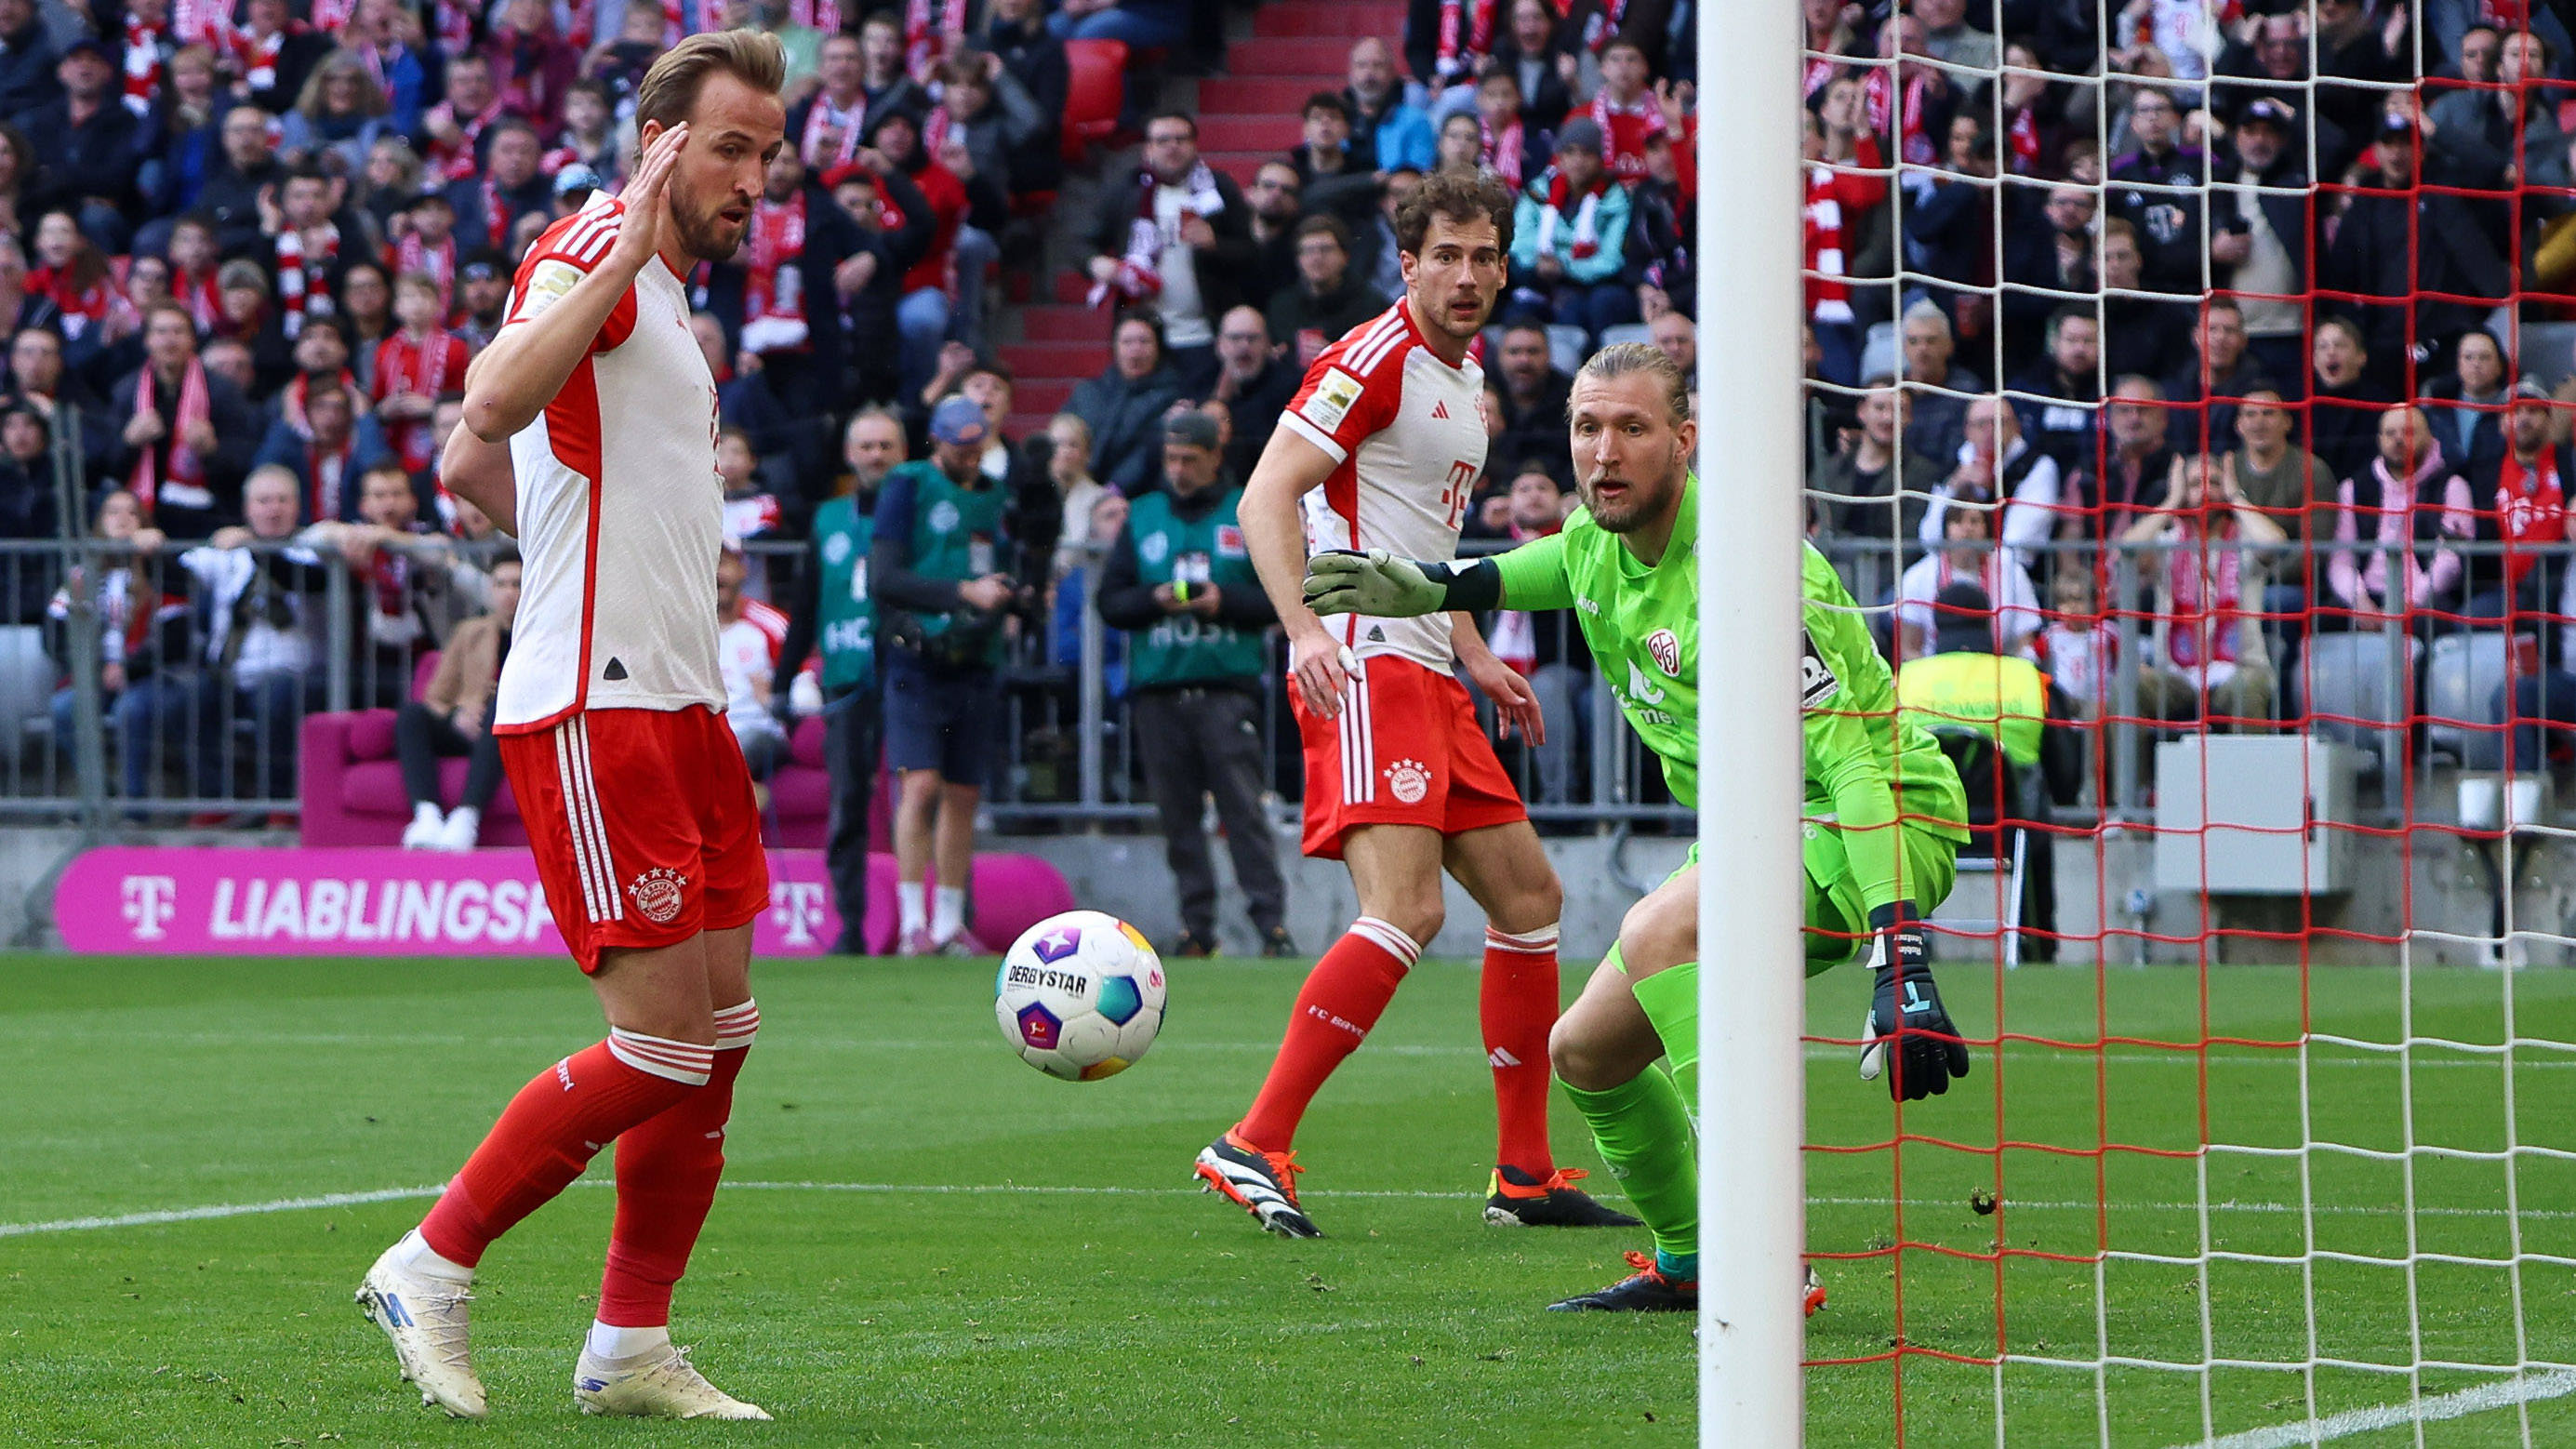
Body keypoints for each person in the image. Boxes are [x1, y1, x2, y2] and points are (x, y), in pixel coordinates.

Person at [1300, 343, 1972, 1315]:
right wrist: (1432, 586)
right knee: (1587, 1053)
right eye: (1585, 427)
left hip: (1877, 822)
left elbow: (1858, 769)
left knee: (1660, 929)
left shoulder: (1751, 571)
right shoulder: (1595, 541)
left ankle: (1763, 1249)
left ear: (1684, 440)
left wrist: (1897, 953)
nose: (1603, 451)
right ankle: (1692, 1258)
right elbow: (1548, 569)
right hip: (1751, 834)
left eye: (1631, 427)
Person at [356, 33, 790, 1424]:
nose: (752, 179)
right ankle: (430, 1261)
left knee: (719, 1034)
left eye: (767, 155)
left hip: (683, 699)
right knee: (661, 1040)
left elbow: (472, 468)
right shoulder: (596, 248)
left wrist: (562, 544)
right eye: (730, 147)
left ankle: (628, 1343)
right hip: (599, 706)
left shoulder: (661, 295)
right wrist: (619, 237)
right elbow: (483, 405)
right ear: (660, 140)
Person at [1198, 169, 1633, 1239]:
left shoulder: (1464, 378)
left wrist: (1477, 651)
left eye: (1486, 255)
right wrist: (1304, 629)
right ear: (1407, 262)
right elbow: (1265, 494)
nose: (1469, 274)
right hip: (1362, 659)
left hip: (1432, 665)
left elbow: (1425, 549)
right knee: (1407, 911)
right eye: (1447, 254)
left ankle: (1523, 1175)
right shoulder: (1373, 358)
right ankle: (1253, 1141)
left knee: (1531, 902)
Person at [1095, 410, 1295, 958]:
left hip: (1225, 687)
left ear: (1214, 458)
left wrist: (1224, 603)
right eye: (1171, 458)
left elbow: (1281, 595)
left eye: (1189, 458)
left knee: (1243, 812)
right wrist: (1154, 599)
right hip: (1159, 688)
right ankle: (1196, 927)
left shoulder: (1245, 512)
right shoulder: (1143, 515)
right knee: (1177, 816)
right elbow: (1110, 602)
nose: (1178, 469)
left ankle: (1270, 925)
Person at [870, 394, 1024, 955]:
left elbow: (1003, 559)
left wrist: (1011, 597)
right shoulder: (908, 486)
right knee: (922, 784)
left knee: (963, 792)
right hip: (918, 653)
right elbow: (884, 578)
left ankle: (949, 921)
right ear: (938, 442)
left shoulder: (993, 496)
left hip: (975, 655)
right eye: (959, 449)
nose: (969, 459)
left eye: (976, 448)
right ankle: (913, 919)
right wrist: (961, 593)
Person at [773, 414, 885, 957]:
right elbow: (806, 608)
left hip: (910, 678)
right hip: (844, 681)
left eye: (886, 445)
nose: (876, 455)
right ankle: (852, 925)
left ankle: (935, 921)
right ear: (849, 454)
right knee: (847, 803)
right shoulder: (828, 520)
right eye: (866, 445)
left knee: (919, 799)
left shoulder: (916, 516)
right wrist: (783, 682)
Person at [1084, 111, 1255, 393]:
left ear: (1195, 145)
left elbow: (1250, 253)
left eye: (1180, 139)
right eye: (1162, 140)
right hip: (1145, 335)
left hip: (1203, 334)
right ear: (1148, 149)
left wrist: (1215, 245)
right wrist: (1096, 263)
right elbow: (1082, 243)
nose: (1172, 147)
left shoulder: (1218, 189)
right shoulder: (1127, 191)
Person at [2118, 454, 2285, 726]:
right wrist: (2172, 501)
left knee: (2248, 687)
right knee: (2127, 685)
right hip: (2175, 675)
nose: (2206, 491)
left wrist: (2236, 496)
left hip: (2238, 670)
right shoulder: (2167, 544)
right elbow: (2128, 548)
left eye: (2215, 482)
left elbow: (2275, 543)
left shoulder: (2246, 542)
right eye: (2196, 484)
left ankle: (2248, 771)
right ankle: (2123, 772)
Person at [397, 546, 519, 852]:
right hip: (468, 725)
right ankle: (427, 814)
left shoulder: (546, 634)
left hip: (515, 731)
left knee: (498, 710)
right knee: (412, 717)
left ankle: (468, 815)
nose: (509, 593)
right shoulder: (470, 632)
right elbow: (436, 695)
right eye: (501, 584)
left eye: (517, 584)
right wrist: (457, 716)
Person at [2328, 405, 2475, 623]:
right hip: (2367, 597)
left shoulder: (2452, 486)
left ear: (2429, 436)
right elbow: (2340, 559)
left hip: (2426, 602)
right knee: (2322, 620)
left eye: (2408, 432)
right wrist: (2359, 600)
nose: (2398, 440)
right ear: (2379, 440)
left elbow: (2450, 562)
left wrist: (2408, 605)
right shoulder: (2353, 488)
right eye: (2390, 433)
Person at [1507, 118, 1634, 344]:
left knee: (1587, 307)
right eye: (1571, 152)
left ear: (1600, 158)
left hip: (1592, 286)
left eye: (1587, 153)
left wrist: (1564, 266)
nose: (1578, 161)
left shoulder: (1616, 200)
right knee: (1517, 310)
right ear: (1560, 157)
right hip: (1538, 279)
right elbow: (1519, 242)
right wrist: (1539, 265)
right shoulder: (1538, 192)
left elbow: (1611, 259)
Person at [1068, 309, 1184, 496]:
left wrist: (1113, 490)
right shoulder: (1088, 392)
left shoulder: (1171, 396)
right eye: (1127, 342)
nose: (1135, 349)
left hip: (1137, 495)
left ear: (1158, 348)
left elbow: (1146, 454)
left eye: (1144, 341)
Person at [1267, 216, 1391, 372]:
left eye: (1326, 249)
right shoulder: (1282, 306)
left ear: (1345, 257)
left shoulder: (1372, 307)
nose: (1317, 258)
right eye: (1308, 251)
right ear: (1298, 259)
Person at [714, 545, 790, 781]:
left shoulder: (768, 624)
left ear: (742, 569)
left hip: (757, 730)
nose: (716, 574)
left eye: (723, 564)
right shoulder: (687, 631)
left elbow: (806, 691)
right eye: (709, 564)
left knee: (730, 753)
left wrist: (772, 696)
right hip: (710, 733)